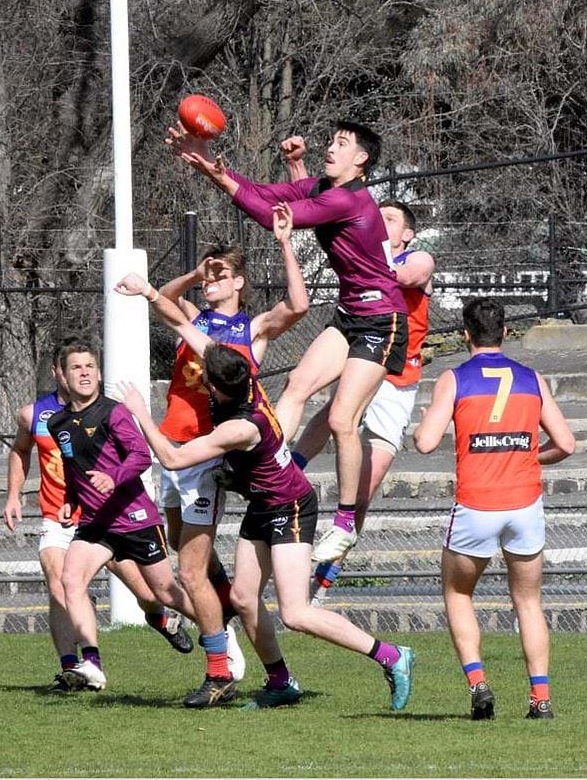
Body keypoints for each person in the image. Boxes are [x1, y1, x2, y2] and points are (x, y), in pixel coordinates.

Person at [118, 314, 415, 712]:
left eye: (205, 377)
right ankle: (280, 681)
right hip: (263, 504)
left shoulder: (239, 427)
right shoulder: (243, 378)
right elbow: (196, 337)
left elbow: (171, 458)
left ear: (217, 388)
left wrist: (139, 410)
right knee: (242, 598)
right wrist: (152, 298)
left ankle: (391, 655)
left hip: (290, 506)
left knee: (295, 612)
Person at [168, 121, 408, 571]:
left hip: (383, 319)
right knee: (297, 385)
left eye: (342, 143)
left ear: (361, 160)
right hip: (350, 314)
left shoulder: (346, 198)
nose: (331, 147)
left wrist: (218, 175)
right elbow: (265, 192)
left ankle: (345, 522)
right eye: (331, 140)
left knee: (341, 419)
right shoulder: (323, 186)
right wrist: (210, 166)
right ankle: (283, 468)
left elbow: (269, 216)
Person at [113, 201, 311, 701]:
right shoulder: (197, 319)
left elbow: (299, 306)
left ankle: (219, 666)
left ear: (240, 283)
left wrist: (286, 244)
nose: (211, 281)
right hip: (172, 441)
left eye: (221, 275)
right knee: (181, 546)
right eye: (209, 275)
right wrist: (187, 274)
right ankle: (219, 613)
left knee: (187, 570)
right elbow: (167, 306)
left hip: (205, 453)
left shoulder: (253, 329)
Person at [413, 297, 574, 720]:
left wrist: (427, 419)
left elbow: (425, 442)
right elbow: (567, 444)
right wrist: (527, 456)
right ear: (504, 332)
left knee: (457, 592)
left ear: (465, 335)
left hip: (477, 503)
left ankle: (479, 684)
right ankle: (540, 699)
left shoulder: (454, 377)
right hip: (524, 504)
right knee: (528, 601)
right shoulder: (531, 377)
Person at [3, 340, 193, 693]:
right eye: (74, 367)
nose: (83, 372)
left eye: (88, 366)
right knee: (61, 580)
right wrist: (14, 495)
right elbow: (19, 450)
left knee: (150, 593)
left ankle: (166, 620)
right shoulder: (36, 415)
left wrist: (109, 479)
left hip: (115, 514)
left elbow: (135, 455)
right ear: (57, 373)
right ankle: (75, 666)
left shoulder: (108, 411)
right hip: (62, 517)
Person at [285, 199, 436, 603]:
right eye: (377, 217)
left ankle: (326, 573)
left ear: (407, 232)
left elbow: (408, 275)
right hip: (364, 354)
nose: (380, 223)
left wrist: (365, 259)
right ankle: (289, 469)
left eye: (389, 220)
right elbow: (319, 212)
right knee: (331, 412)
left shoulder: (418, 257)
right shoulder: (361, 252)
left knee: (364, 491)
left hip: (397, 381)